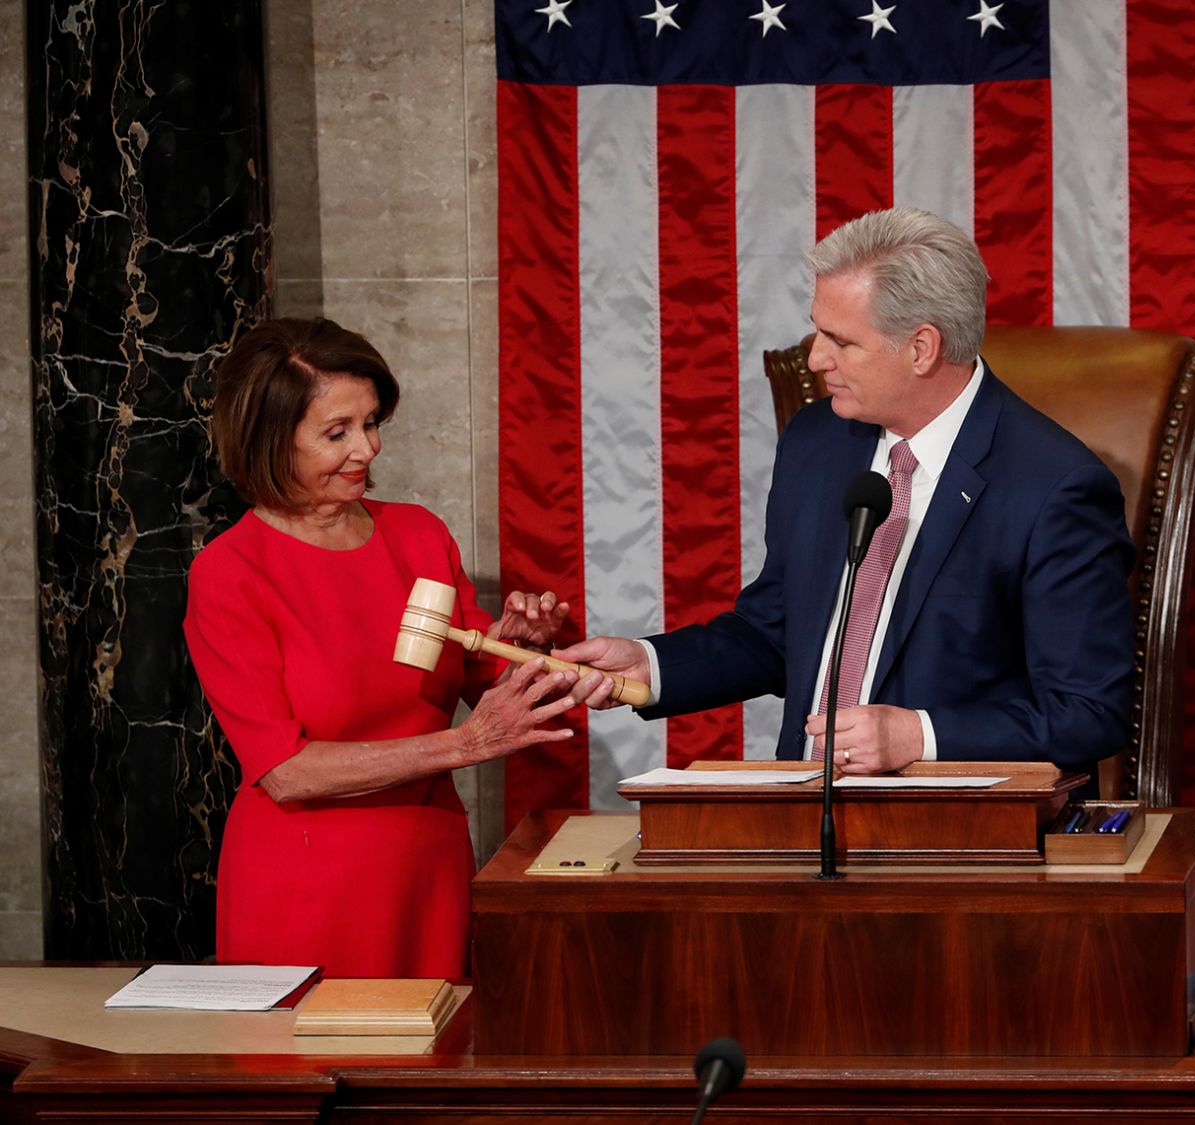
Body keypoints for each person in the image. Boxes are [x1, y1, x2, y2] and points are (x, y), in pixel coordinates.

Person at [560, 208, 1135, 775]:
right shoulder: (818, 441)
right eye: (817, 330)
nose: (814, 358)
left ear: (921, 348)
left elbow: (1087, 712)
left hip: (960, 833)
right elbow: (777, 632)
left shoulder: (1054, 486)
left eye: (840, 340)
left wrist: (919, 735)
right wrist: (651, 666)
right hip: (805, 815)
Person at [184, 318, 574, 978]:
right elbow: (286, 771)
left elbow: (479, 673)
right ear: (268, 440)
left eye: (370, 422)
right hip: (308, 885)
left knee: (435, 1068)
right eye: (337, 433)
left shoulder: (418, 535)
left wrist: (521, 646)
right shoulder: (231, 572)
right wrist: (464, 745)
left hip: (429, 870)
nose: (367, 447)